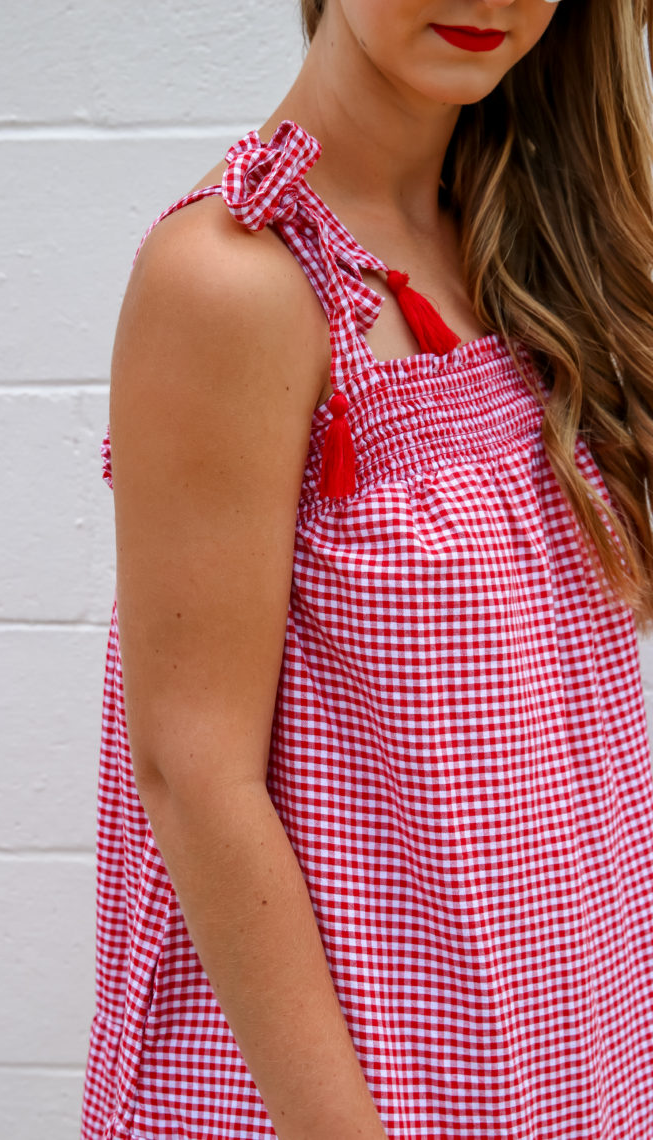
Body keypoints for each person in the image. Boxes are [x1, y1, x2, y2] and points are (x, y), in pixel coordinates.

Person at [80, 1, 653, 1137]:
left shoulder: (525, 249)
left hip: (560, 1042)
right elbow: (196, 779)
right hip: (350, 1087)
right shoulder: (236, 279)